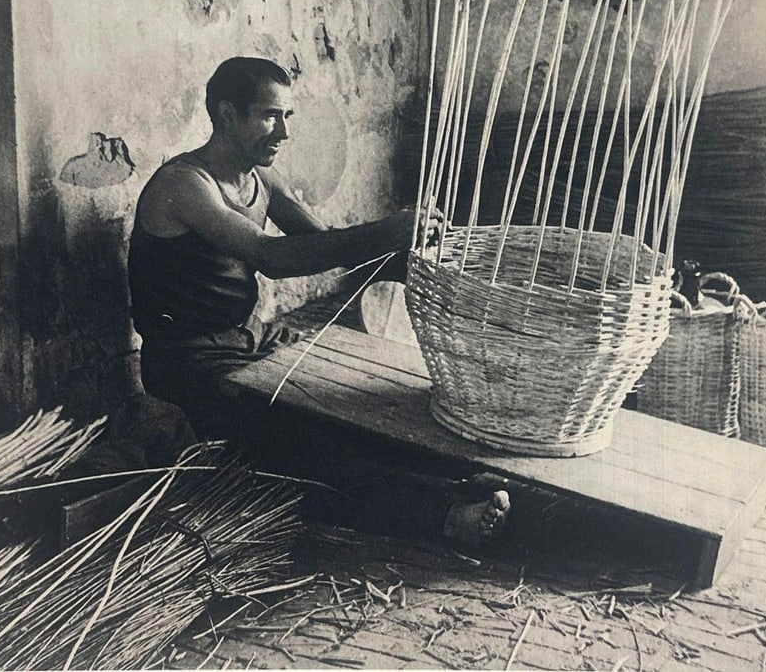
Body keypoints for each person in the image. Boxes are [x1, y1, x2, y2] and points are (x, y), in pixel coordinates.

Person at [127, 56, 511, 547]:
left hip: (251, 340)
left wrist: (414, 254)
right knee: (301, 440)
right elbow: (270, 257)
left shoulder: (261, 180)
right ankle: (440, 515)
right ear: (226, 114)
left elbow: (330, 247)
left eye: (287, 116)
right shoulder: (184, 184)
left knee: (356, 397)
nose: (284, 132)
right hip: (188, 361)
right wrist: (386, 230)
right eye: (270, 115)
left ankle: (452, 476)